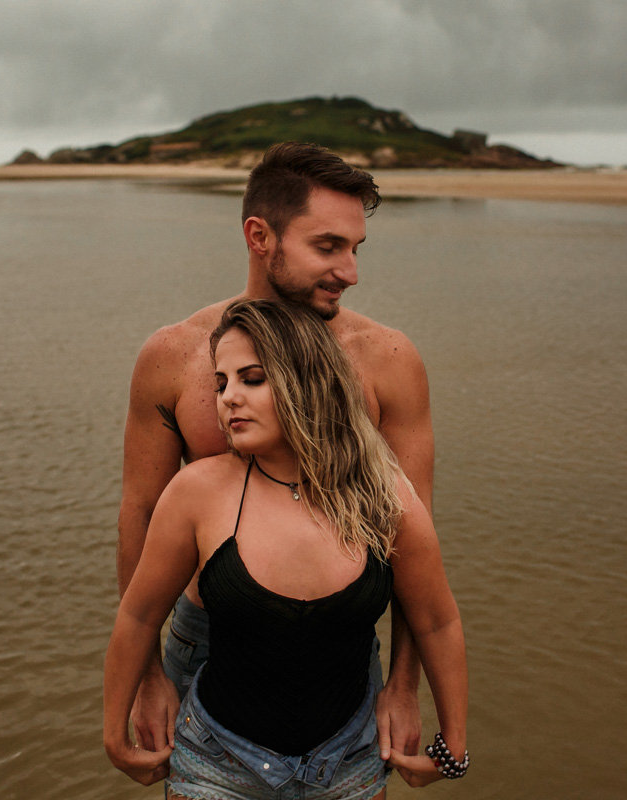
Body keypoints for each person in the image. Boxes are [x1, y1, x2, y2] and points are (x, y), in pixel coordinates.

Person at [117, 142, 434, 761]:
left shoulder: (386, 359)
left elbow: (415, 534)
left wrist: (404, 681)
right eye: (327, 247)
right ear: (260, 236)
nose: (350, 271)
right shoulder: (177, 355)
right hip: (207, 638)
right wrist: (146, 675)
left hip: (344, 640)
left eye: (355, 248)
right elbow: (140, 512)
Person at [104, 299, 468, 799]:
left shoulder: (386, 497)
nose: (229, 397)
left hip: (349, 762)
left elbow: (436, 621)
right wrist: (113, 730)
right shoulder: (197, 492)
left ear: (307, 381)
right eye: (221, 383)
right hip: (216, 761)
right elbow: (139, 615)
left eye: (251, 379)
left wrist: (454, 742)